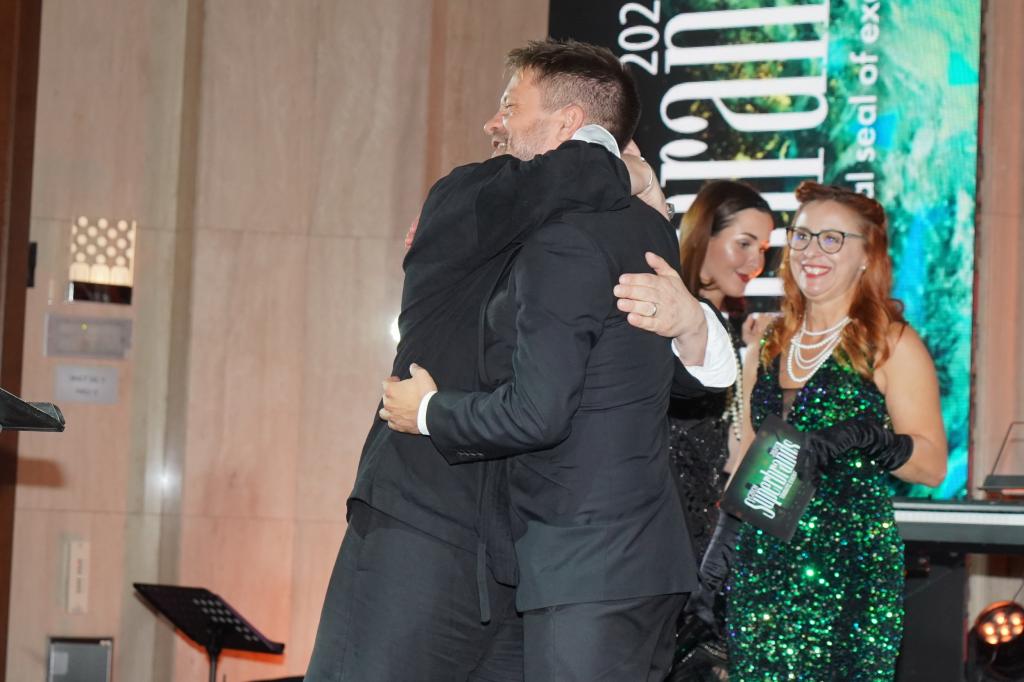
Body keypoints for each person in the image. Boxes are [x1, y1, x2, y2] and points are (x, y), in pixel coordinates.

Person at [308, 39, 732, 681]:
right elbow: (574, 172)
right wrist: (630, 172)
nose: (492, 123)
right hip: (418, 524)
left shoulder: (602, 227)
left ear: (566, 124)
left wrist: (692, 319)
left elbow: (644, 368)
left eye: (510, 106)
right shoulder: (467, 194)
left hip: (529, 560)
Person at [706, 181, 947, 679]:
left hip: (851, 574)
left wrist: (870, 437)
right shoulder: (769, 343)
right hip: (762, 574)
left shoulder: (892, 344)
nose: (811, 251)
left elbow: (931, 466)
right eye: (802, 236)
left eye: (832, 239)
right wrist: (716, 563)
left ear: (867, 256)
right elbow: (747, 461)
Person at [660, 181, 773, 681]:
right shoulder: (674, 315)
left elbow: (735, 448)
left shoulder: (723, 326)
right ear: (704, 233)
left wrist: (751, 359)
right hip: (662, 531)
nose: (755, 262)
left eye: (763, 249)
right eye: (744, 243)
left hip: (701, 537)